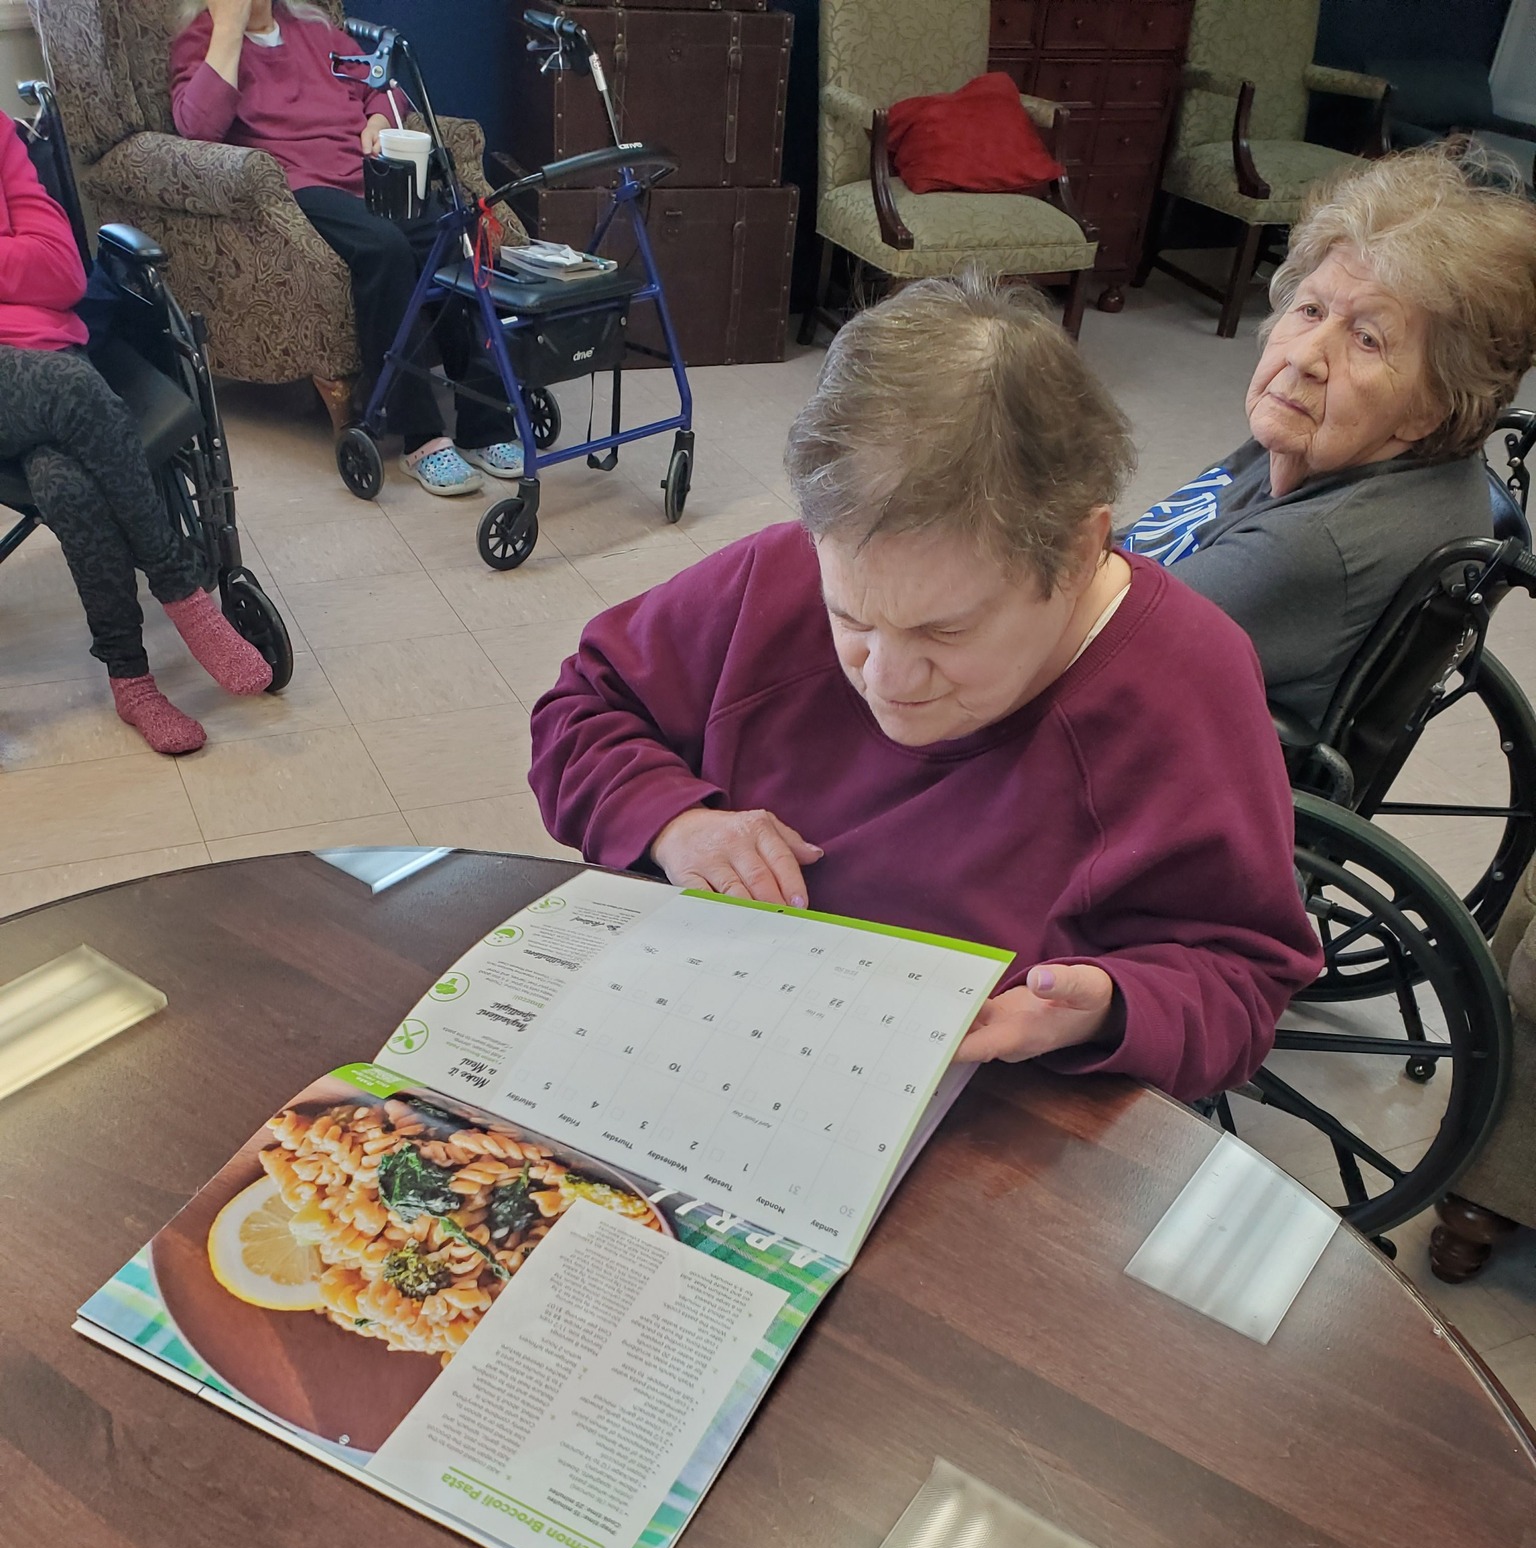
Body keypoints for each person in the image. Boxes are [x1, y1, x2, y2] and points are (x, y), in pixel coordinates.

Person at [528, 276, 1323, 1103]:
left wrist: (1108, 1009)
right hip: (709, 1036)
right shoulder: (776, 573)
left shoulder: (1190, 679)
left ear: (1082, 553)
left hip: (983, 1111)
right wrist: (671, 821)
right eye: (852, 617)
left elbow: (1243, 978)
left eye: (946, 632)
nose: (887, 678)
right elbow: (582, 710)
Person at [1120, 144, 1536, 729]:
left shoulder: (1310, 549)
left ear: (1430, 407)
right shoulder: (1316, 437)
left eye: (1367, 339)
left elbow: (1084, 646)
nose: (1306, 356)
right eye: (1311, 309)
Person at [0, 111, 271, 755]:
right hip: (47, 376)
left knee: (66, 482)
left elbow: (62, 271)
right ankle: (182, 588)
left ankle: (132, 681)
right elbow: (34, 267)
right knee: (73, 392)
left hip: (52, 356)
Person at [171, 0, 520, 497]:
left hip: (365, 177)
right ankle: (420, 435)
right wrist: (227, 29)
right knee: (385, 250)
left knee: (456, 234)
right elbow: (197, 127)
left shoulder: (316, 31)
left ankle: (487, 423)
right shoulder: (201, 39)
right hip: (299, 188)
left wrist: (377, 121)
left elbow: (383, 87)